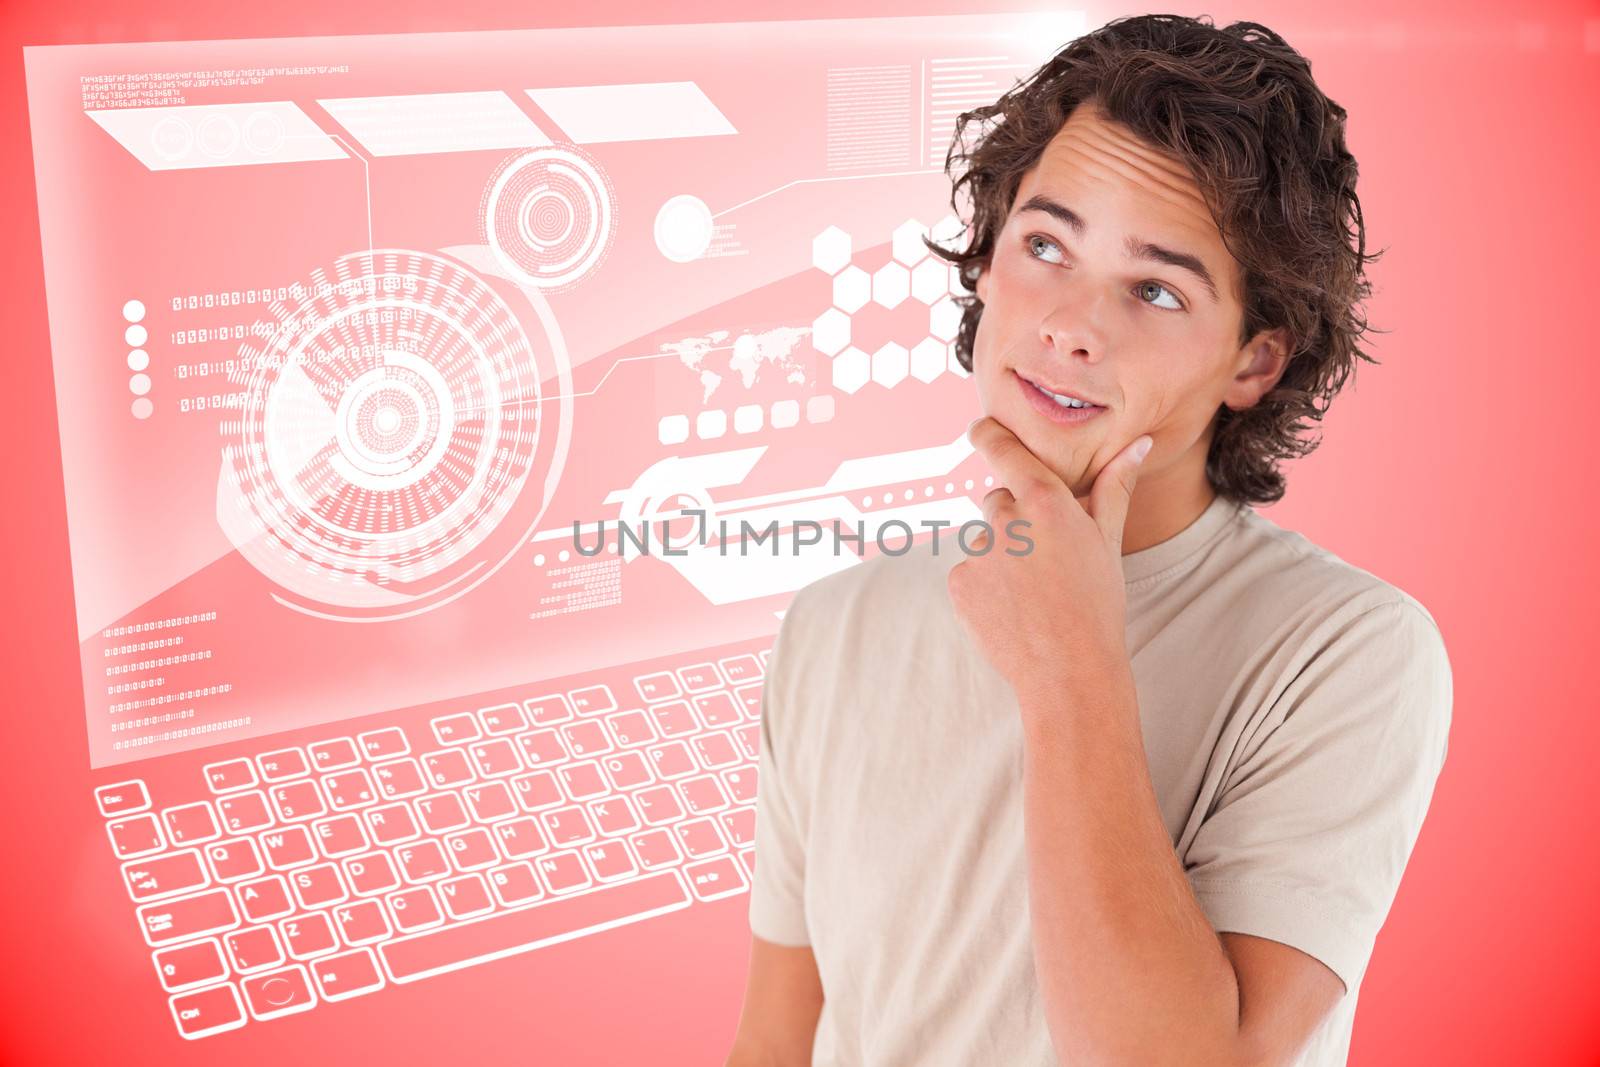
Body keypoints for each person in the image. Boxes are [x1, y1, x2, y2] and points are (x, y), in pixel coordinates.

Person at [723, 13, 1452, 1067]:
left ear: (1253, 360)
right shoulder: (834, 625)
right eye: (1045, 245)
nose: (1070, 324)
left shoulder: (1349, 652)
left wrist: (1069, 660)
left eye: (1154, 288)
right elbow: (775, 1037)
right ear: (984, 260)